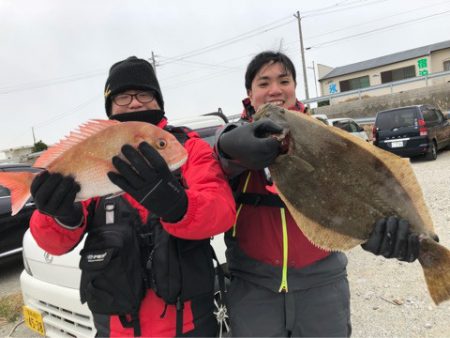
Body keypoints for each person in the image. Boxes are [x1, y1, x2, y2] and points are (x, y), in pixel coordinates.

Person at [215, 51, 421, 337]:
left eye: (283, 80)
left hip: (323, 288)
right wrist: (227, 147)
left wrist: (380, 230)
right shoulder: (234, 140)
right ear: (249, 93)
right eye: (263, 83)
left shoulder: (326, 135)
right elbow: (213, 169)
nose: (275, 90)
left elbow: (359, 191)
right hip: (253, 290)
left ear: (294, 88)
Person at [29, 56, 236, 337]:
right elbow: (52, 243)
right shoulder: (96, 149)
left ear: (159, 100)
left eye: (143, 94)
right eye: (123, 97)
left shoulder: (189, 148)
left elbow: (221, 211)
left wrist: (177, 205)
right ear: (110, 106)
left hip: (190, 325)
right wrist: (61, 215)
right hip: (115, 329)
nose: (135, 103)